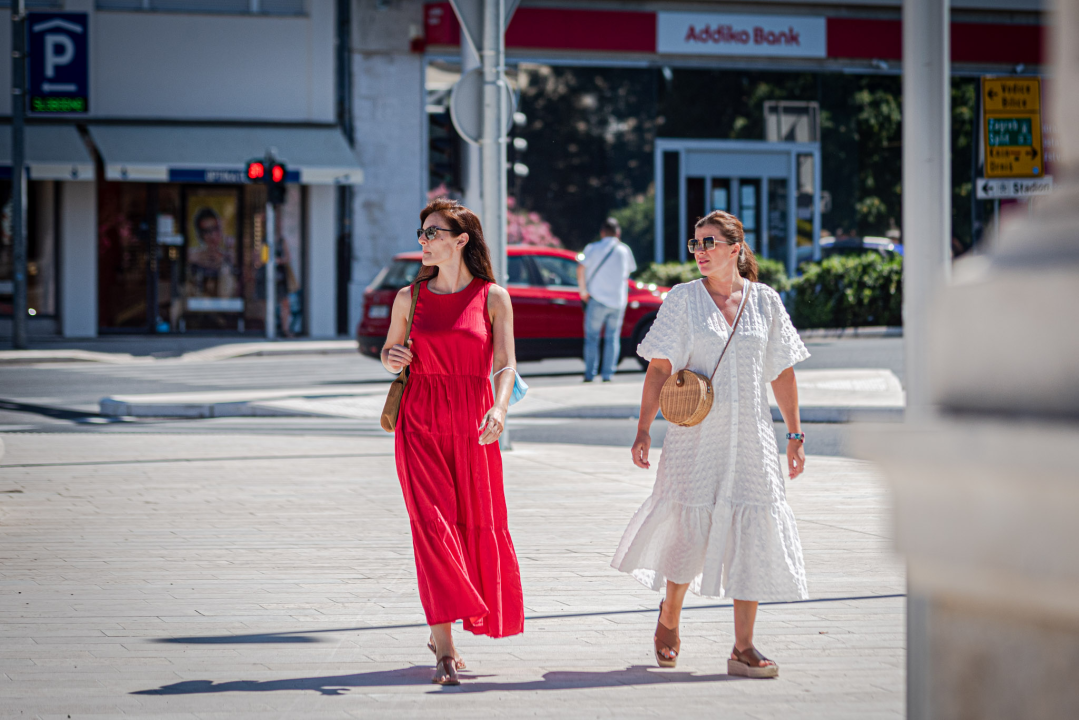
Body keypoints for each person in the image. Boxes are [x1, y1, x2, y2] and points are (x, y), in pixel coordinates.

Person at [612, 210, 810, 679]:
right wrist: (643, 428)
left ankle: (743, 646)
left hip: (752, 439)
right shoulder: (683, 299)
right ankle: (670, 614)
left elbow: (782, 372)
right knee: (688, 531)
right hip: (694, 438)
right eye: (695, 243)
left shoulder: (765, 301)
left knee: (751, 532)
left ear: (735, 248)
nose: (700, 251)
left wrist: (794, 434)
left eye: (709, 242)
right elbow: (659, 369)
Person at [381, 198, 525, 686]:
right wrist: (391, 357)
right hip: (419, 423)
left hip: (472, 425)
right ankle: (444, 647)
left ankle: (444, 629)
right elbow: (389, 351)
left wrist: (500, 408)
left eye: (433, 233)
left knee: (472, 526)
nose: (423, 241)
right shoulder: (409, 298)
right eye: (421, 233)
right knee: (433, 528)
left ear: (461, 240)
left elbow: (505, 364)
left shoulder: (493, 297)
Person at [576, 217, 637, 382]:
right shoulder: (624, 250)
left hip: (596, 299)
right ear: (618, 233)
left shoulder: (592, 248)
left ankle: (590, 374)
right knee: (612, 338)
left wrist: (583, 291)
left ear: (602, 232)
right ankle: (608, 375)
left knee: (592, 338)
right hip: (618, 301)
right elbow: (629, 271)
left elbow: (580, 268)